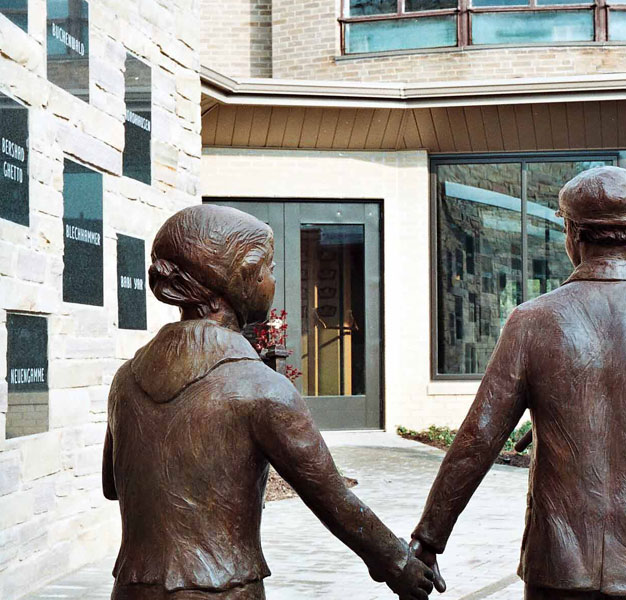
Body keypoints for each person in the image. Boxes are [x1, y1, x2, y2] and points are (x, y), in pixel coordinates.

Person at [410, 166, 626, 600]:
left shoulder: (532, 321)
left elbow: (479, 437)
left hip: (559, 562)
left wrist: (428, 539)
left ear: (573, 233)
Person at [102, 205, 435, 600]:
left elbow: (112, 484)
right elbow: (331, 497)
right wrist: (398, 563)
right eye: (269, 268)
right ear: (243, 277)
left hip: (132, 590)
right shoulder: (261, 387)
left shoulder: (126, 378)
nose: (274, 279)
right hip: (223, 591)